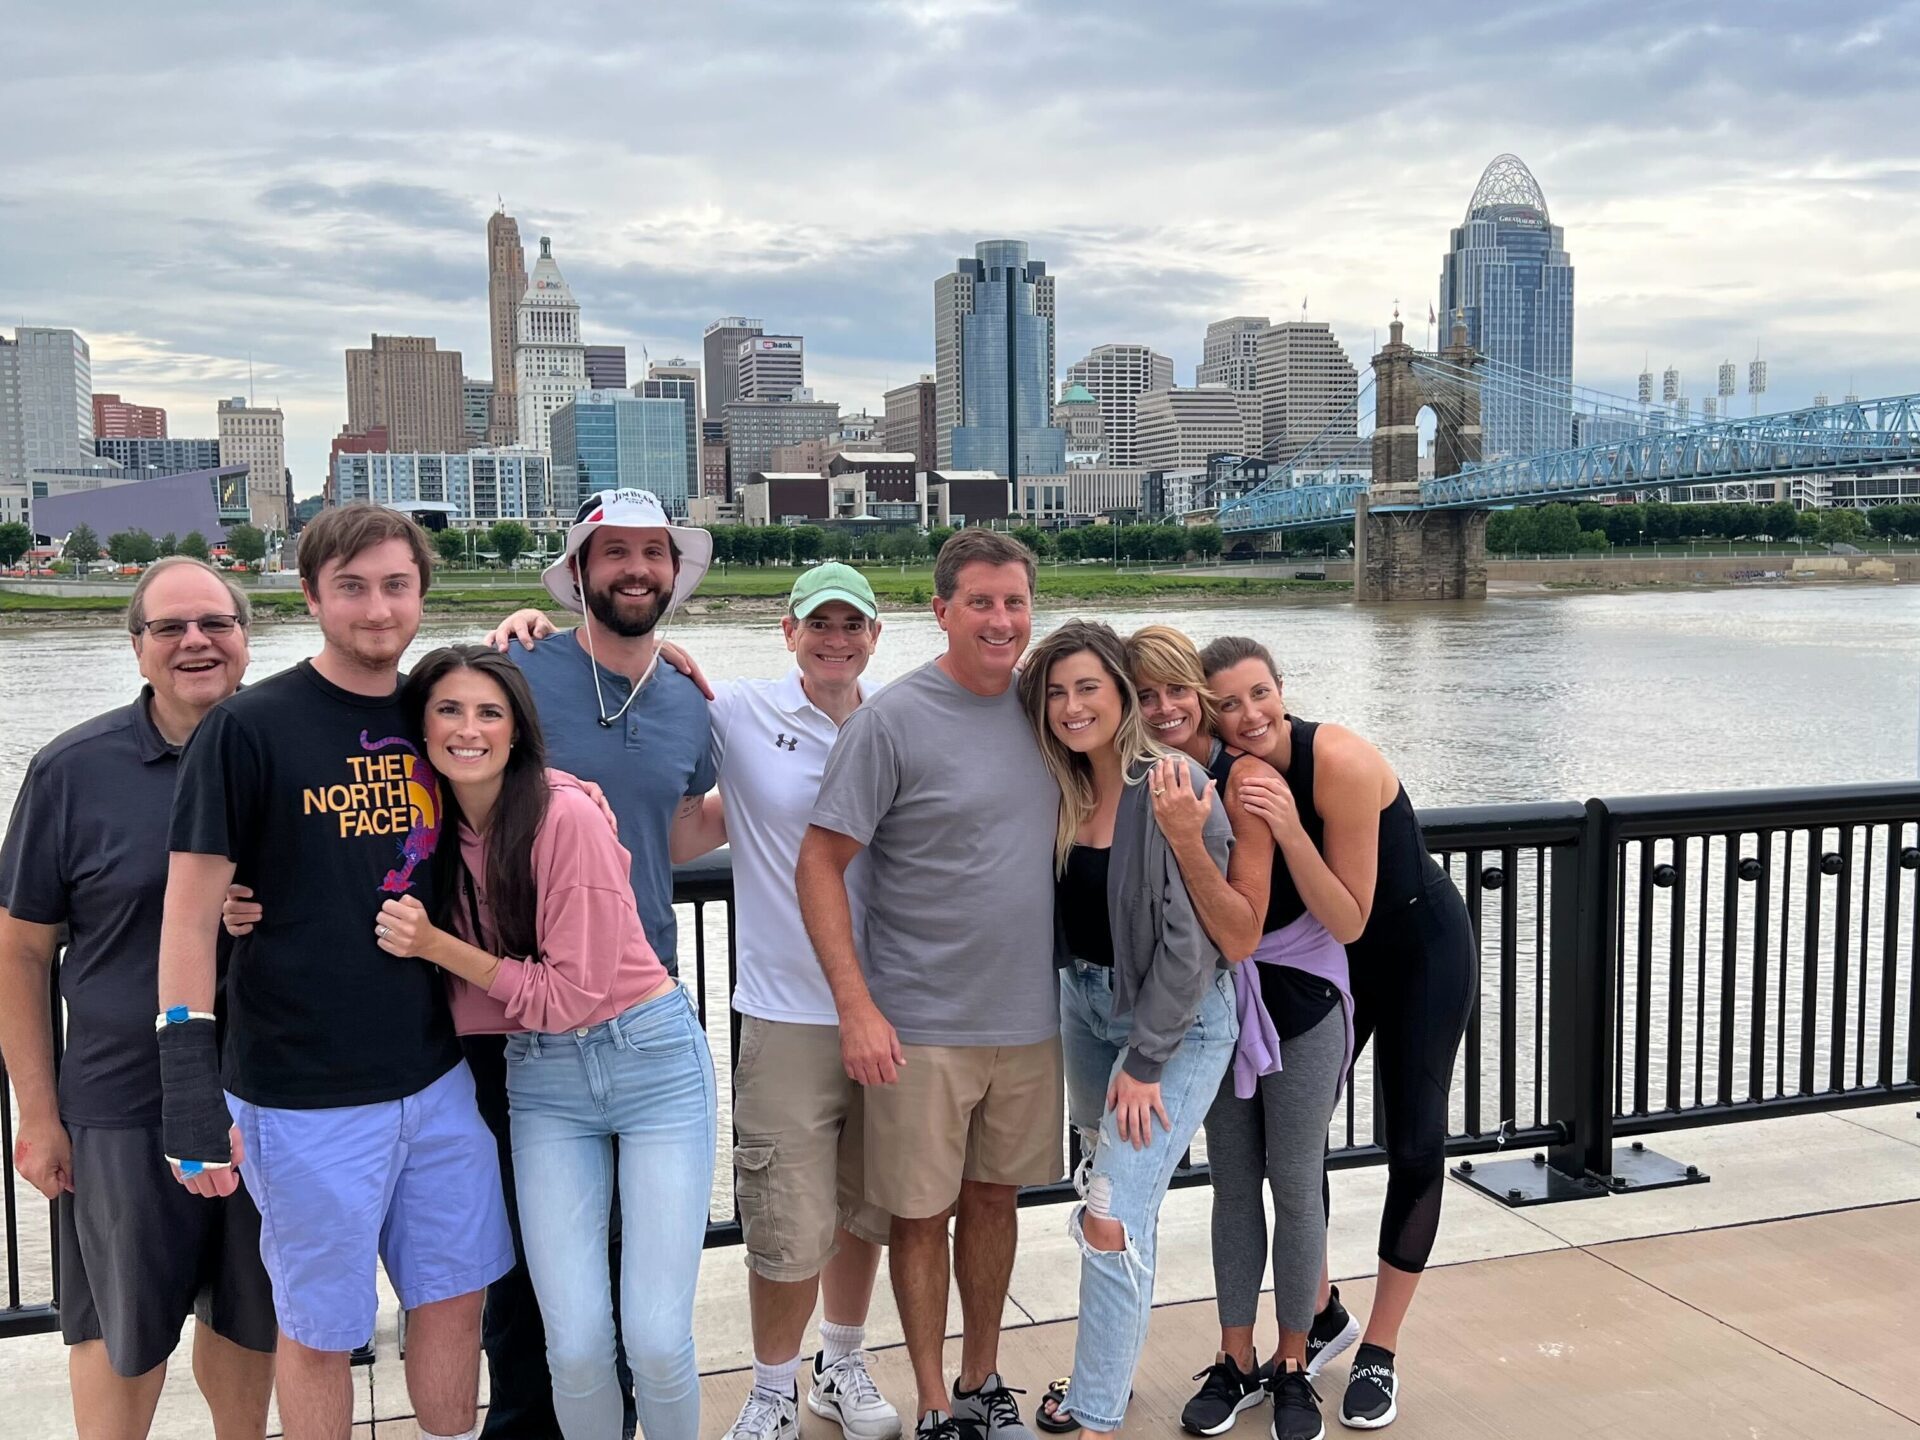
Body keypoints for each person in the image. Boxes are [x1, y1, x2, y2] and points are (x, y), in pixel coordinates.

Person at [157, 505, 513, 1440]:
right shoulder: (246, 729)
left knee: (456, 1297)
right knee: (320, 1329)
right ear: (311, 596)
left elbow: (522, 709)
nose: (377, 608)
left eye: (396, 585)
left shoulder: (439, 713)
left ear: (422, 594)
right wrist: (187, 1085)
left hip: (436, 1075)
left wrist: (553, 636)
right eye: (351, 587)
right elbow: (188, 915)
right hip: (301, 1095)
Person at [366, 645, 716, 1440]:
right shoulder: (423, 831)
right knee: (577, 1347)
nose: (469, 729)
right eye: (449, 710)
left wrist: (437, 946)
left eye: (489, 713)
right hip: (540, 1080)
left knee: (655, 1339)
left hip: (649, 1063)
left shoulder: (566, 816)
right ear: (421, 727)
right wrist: (243, 906)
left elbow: (569, 997)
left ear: (518, 730)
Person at [0, 558, 277, 1440]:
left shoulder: (287, 749)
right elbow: (19, 951)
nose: (196, 642)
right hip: (120, 1104)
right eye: (170, 628)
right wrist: (37, 1113)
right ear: (137, 647)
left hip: (270, 1097)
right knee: (119, 1333)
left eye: (216, 623)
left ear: (246, 638)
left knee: (252, 1317)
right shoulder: (72, 770)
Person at [798, 529, 1062, 1440]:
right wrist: (857, 1007)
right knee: (918, 1216)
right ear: (941, 610)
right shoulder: (890, 722)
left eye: (1015, 602)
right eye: (980, 602)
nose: (1001, 619)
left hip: (1029, 1020)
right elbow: (819, 864)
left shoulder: (1048, 709)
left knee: (995, 1203)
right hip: (920, 1024)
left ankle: (982, 1381)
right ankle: (935, 1406)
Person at [467, 487, 718, 1438]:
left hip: (647, 1010)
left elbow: (674, 831)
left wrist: (798, 795)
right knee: (529, 1290)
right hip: (519, 1017)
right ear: (577, 571)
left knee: (645, 1321)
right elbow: (434, 776)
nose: (636, 569)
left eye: (654, 552)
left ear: (675, 573)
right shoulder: (520, 670)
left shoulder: (691, 699)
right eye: (614, 552)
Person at [1196, 636, 1476, 1433]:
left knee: (1414, 1144)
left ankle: (1380, 1347)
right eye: (1228, 704)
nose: (1249, 715)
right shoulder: (1227, 773)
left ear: (1282, 689)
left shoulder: (1338, 762)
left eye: (1260, 693)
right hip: (1329, 965)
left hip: (1416, 951)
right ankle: (1320, 1314)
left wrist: (1290, 828)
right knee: (1298, 1142)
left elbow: (1351, 915)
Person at [1012, 622, 1238, 1440]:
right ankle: (1102, 1374)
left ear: (1120, 692)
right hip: (1084, 1005)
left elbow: (1193, 946)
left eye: (1088, 688)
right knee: (1110, 1197)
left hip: (1175, 1025)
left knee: (1109, 1212)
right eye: (1056, 693)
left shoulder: (1172, 784)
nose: (1072, 707)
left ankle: (1097, 1415)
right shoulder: (1061, 782)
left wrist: (1145, 1061)